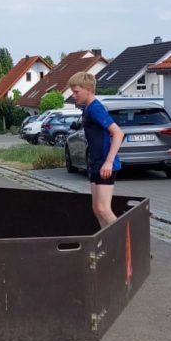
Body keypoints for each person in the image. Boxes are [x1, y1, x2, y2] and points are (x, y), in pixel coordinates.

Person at [68, 71, 123, 228]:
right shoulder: (87, 108)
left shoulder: (96, 109)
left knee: (104, 209)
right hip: (95, 164)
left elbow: (118, 133)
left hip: (105, 166)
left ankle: (125, 241)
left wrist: (109, 162)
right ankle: (106, 240)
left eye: (76, 91)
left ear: (88, 90)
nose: (73, 95)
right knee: (97, 209)